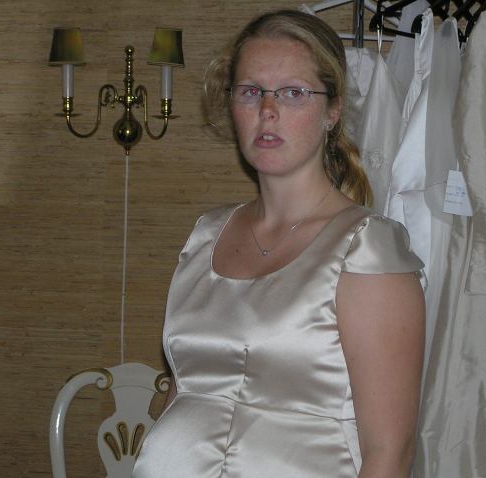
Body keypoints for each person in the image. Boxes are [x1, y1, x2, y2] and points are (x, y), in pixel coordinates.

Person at [132, 9, 425, 478]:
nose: (267, 111)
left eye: (292, 93)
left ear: (332, 111)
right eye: (251, 92)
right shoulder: (206, 235)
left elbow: (390, 452)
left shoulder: (367, 249)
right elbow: (185, 392)